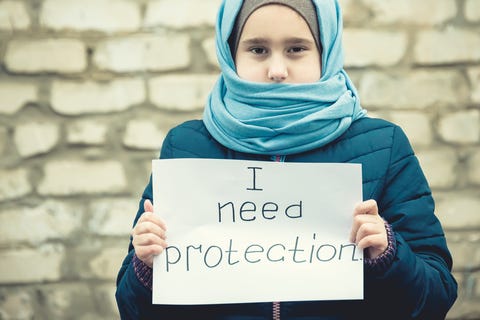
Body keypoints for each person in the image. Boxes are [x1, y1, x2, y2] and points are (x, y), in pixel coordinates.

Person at [115, 0, 458, 319]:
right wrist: (146, 267)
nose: (276, 70)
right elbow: (132, 310)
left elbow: (436, 296)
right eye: (257, 49)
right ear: (230, 53)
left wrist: (388, 254)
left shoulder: (384, 145)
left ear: (326, 51)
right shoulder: (185, 146)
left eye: (296, 49)